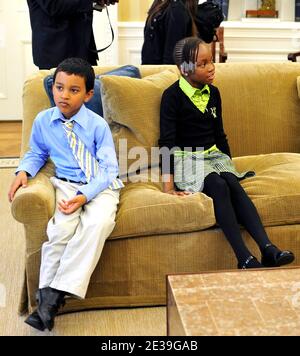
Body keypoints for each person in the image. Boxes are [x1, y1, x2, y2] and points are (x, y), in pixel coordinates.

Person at [158, 36, 295, 270]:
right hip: (187, 159)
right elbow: (166, 142)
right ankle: (243, 257)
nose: (211, 67)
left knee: (231, 182)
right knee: (218, 186)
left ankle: (267, 248)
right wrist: (169, 186)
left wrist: (229, 167)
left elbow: (220, 135)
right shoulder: (172, 97)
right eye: (202, 64)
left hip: (213, 156)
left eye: (210, 60)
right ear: (184, 70)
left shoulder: (214, 93)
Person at [8, 57, 124, 331]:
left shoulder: (97, 125)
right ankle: (47, 303)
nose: (64, 95)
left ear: (88, 94)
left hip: (100, 185)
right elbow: (36, 152)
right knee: (60, 231)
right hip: (66, 184)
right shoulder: (44, 121)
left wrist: (86, 196)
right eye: (59, 88)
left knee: (98, 223)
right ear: (53, 89)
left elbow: (109, 170)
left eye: (73, 90)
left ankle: (51, 296)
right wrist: (23, 171)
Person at [27, 0, 119, 69]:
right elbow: (53, 6)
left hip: (83, 49)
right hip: (56, 52)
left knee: (89, 92)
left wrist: (98, 2)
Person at [141, 0, 198, 65]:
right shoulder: (159, 4)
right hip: (152, 70)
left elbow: (171, 58)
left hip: (163, 72)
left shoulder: (176, 10)